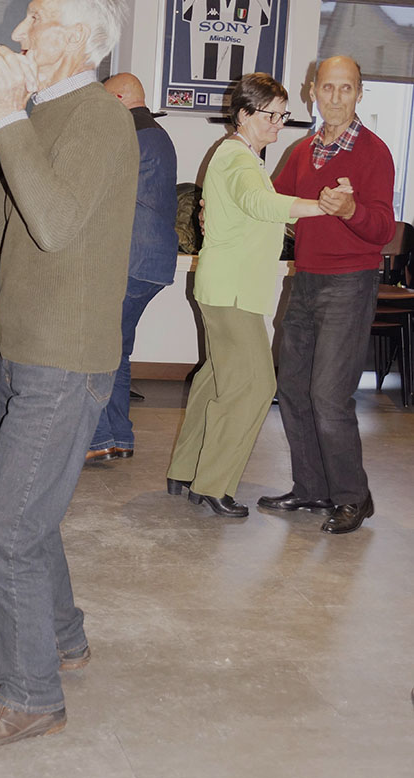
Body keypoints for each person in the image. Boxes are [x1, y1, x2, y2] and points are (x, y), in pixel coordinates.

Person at [0, 0, 139, 746]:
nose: (19, 33)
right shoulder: (46, 116)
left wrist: (10, 116)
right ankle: (61, 639)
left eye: (36, 19)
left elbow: (53, 225)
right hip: (27, 353)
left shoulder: (97, 119)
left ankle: (30, 697)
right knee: (28, 513)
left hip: (65, 359)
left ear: (80, 38)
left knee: (7, 529)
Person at [166, 73, 332, 518]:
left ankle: (186, 471)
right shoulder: (238, 157)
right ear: (243, 115)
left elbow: (258, 212)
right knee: (256, 385)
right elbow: (261, 204)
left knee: (216, 380)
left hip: (225, 287)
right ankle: (212, 483)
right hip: (232, 291)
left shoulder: (241, 157)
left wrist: (301, 214)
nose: (278, 124)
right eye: (270, 115)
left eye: (282, 115)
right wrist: (321, 207)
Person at [258, 56, 395, 534]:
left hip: (350, 282)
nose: (336, 97)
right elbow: (272, 204)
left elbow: (383, 229)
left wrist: (352, 209)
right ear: (312, 91)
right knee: (293, 389)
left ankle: (353, 497)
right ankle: (312, 488)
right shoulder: (303, 151)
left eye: (346, 88)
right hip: (306, 281)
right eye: (328, 88)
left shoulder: (374, 152)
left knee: (328, 396)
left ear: (359, 94)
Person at [85, 72, 178, 463]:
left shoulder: (129, 134)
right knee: (118, 350)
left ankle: (97, 439)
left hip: (129, 258)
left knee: (95, 347)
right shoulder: (158, 135)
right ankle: (120, 436)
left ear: (120, 99)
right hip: (153, 262)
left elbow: (98, 195)